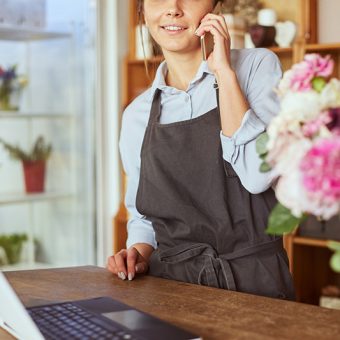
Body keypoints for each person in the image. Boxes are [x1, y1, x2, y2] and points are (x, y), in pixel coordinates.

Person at [107, 0, 296, 301]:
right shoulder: (136, 115)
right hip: (171, 293)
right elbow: (143, 218)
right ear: (142, 10)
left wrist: (224, 73)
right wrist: (138, 254)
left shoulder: (257, 67)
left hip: (257, 290)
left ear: (216, 6)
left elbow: (257, 177)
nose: (173, 8)